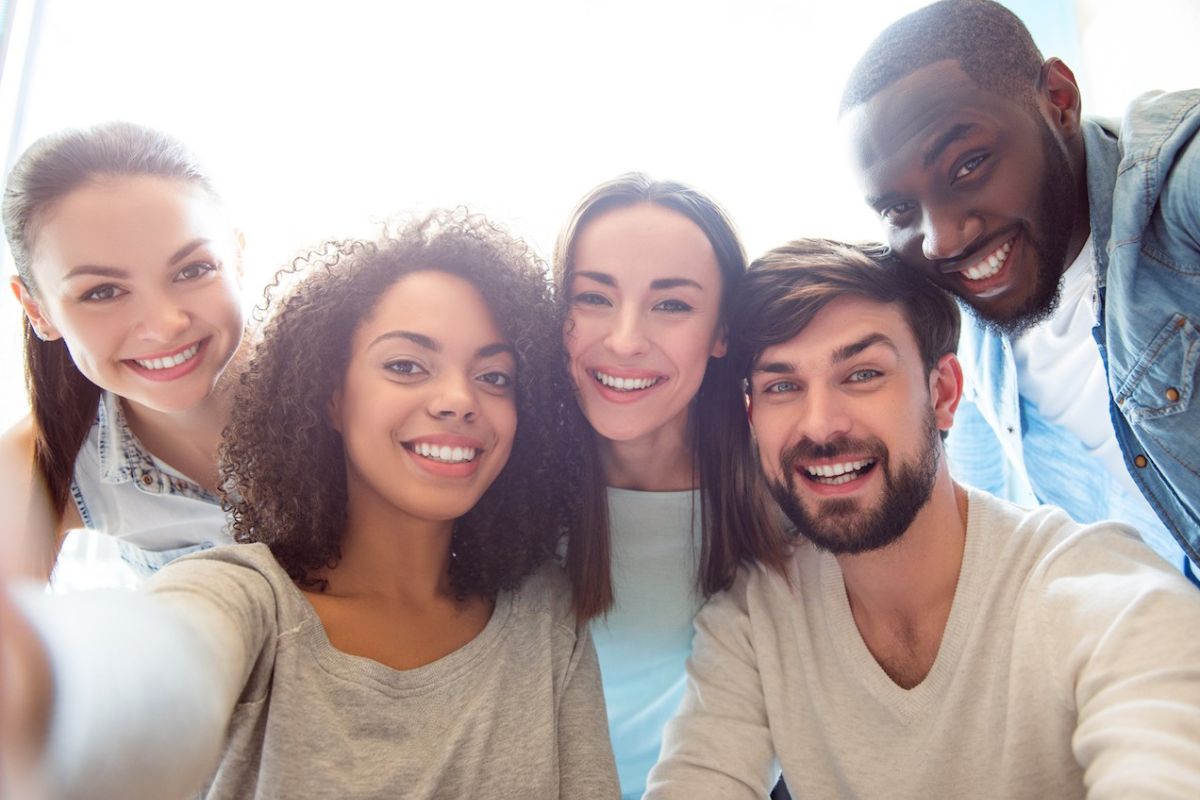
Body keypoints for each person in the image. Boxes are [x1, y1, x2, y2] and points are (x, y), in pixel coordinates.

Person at [2, 211, 619, 799]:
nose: (459, 399)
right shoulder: (243, 595)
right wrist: (54, 690)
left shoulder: (546, 616)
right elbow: (165, 663)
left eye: (494, 377)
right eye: (406, 366)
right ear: (330, 398)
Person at [645, 238, 1200, 799]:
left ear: (944, 393)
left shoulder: (1103, 596)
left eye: (862, 374)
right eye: (782, 386)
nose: (819, 425)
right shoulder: (756, 615)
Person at [838, 0, 1200, 583]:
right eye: (899, 209)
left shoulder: (1177, 188)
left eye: (968, 165)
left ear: (1058, 100)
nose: (942, 239)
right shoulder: (968, 334)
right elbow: (970, 528)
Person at [554, 174, 783, 799]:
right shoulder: (505, 484)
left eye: (672, 304)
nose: (625, 340)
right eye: (594, 298)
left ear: (721, 334)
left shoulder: (780, 492)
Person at [1, 121, 247, 579]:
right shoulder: (37, 464)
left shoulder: (359, 380)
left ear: (237, 257)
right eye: (102, 292)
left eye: (192, 270)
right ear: (39, 312)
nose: (164, 325)